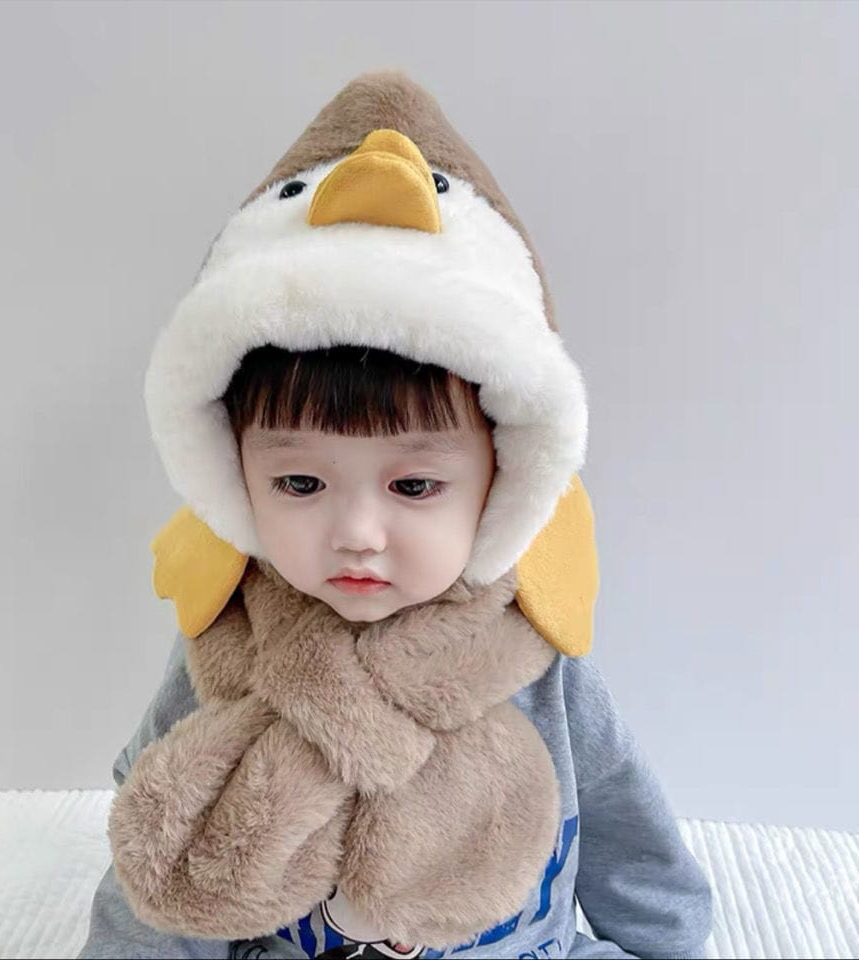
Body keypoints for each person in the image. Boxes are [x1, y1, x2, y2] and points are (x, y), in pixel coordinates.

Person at [78, 70, 713, 960]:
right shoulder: (225, 648)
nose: (357, 533)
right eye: (301, 483)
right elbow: (160, 863)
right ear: (234, 478)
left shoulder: (540, 662)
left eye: (413, 487)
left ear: (503, 481)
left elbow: (624, 826)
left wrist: (668, 941)